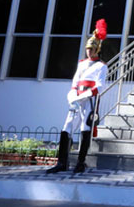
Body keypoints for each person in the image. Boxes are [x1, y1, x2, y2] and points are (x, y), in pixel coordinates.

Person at [46, 19, 108, 174]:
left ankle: (81, 162)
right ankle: (62, 162)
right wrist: (72, 95)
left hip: (89, 100)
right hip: (77, 99)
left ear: (97, 49)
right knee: (67, 128)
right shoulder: (81, 64)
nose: (89, 51)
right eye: (87, 48)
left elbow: (99, 86)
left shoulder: (101, 66)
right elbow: (75, 82)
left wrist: (85, 95)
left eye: (91, 48)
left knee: (85, 129)